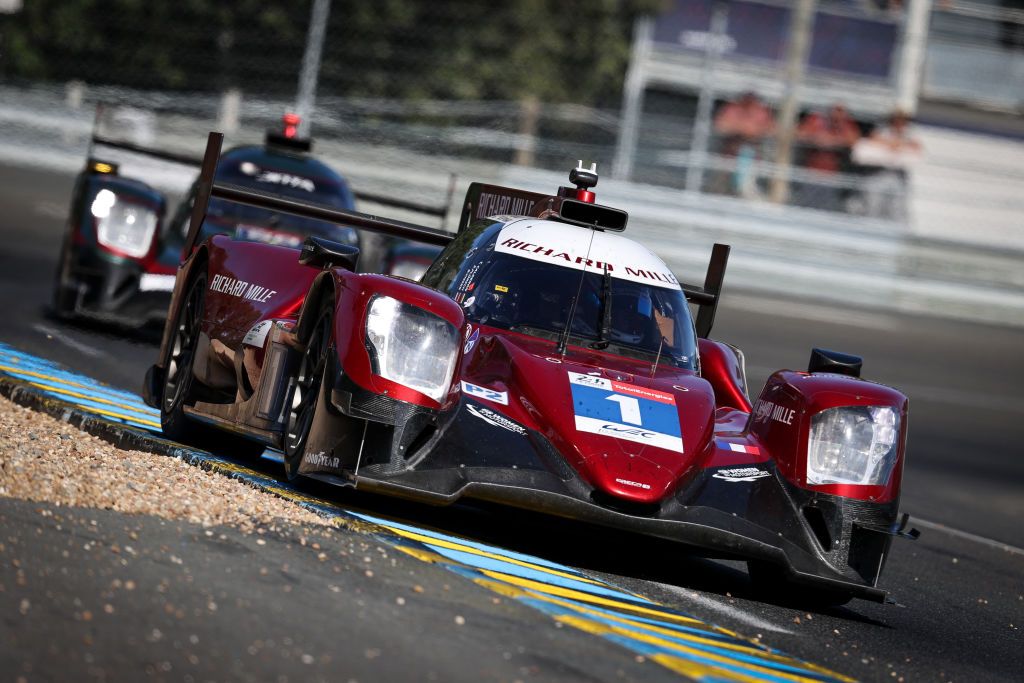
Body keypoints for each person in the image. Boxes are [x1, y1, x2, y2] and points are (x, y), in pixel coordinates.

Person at [852, 110, 923, 221]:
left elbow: (916, 147)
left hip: (897, 178)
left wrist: (898, 144)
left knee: (896, 209)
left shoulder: (909, 133)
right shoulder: (883, 130)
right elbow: (873, 139)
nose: (900, 123)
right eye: (898, 120)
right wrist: (891, 144)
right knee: (872, 206)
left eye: (903, 121)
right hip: (877, 175)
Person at [712, 92, 776, 198]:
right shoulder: (733, 109)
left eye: (752, 102)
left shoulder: (761, 112)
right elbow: (720, 126)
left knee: (746, 184)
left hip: (750, 152)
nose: (749, 104)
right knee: (721, 182)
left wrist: (747, 130)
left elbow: (771, 129)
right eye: (747, 101)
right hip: (730, 152)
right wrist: (741, 128)